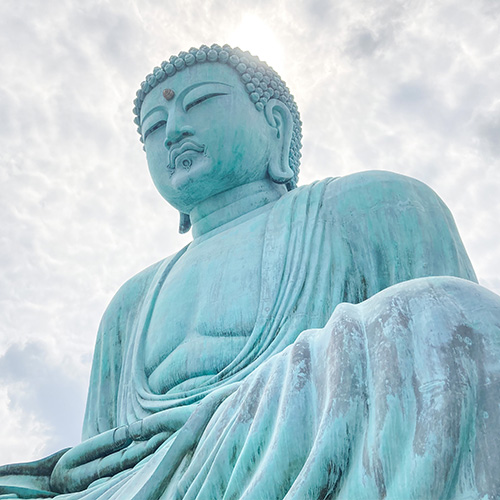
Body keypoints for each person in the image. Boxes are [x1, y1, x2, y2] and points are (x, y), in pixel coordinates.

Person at [1, 44, 499, 500]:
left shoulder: (374, 204)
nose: (173, 131)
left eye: (198, 103)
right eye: (154, 126)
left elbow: (437, 368)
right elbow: (93, 460)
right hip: (134, 484)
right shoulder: (128, 306)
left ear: (276, 125)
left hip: (299, 442)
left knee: (452, 314)